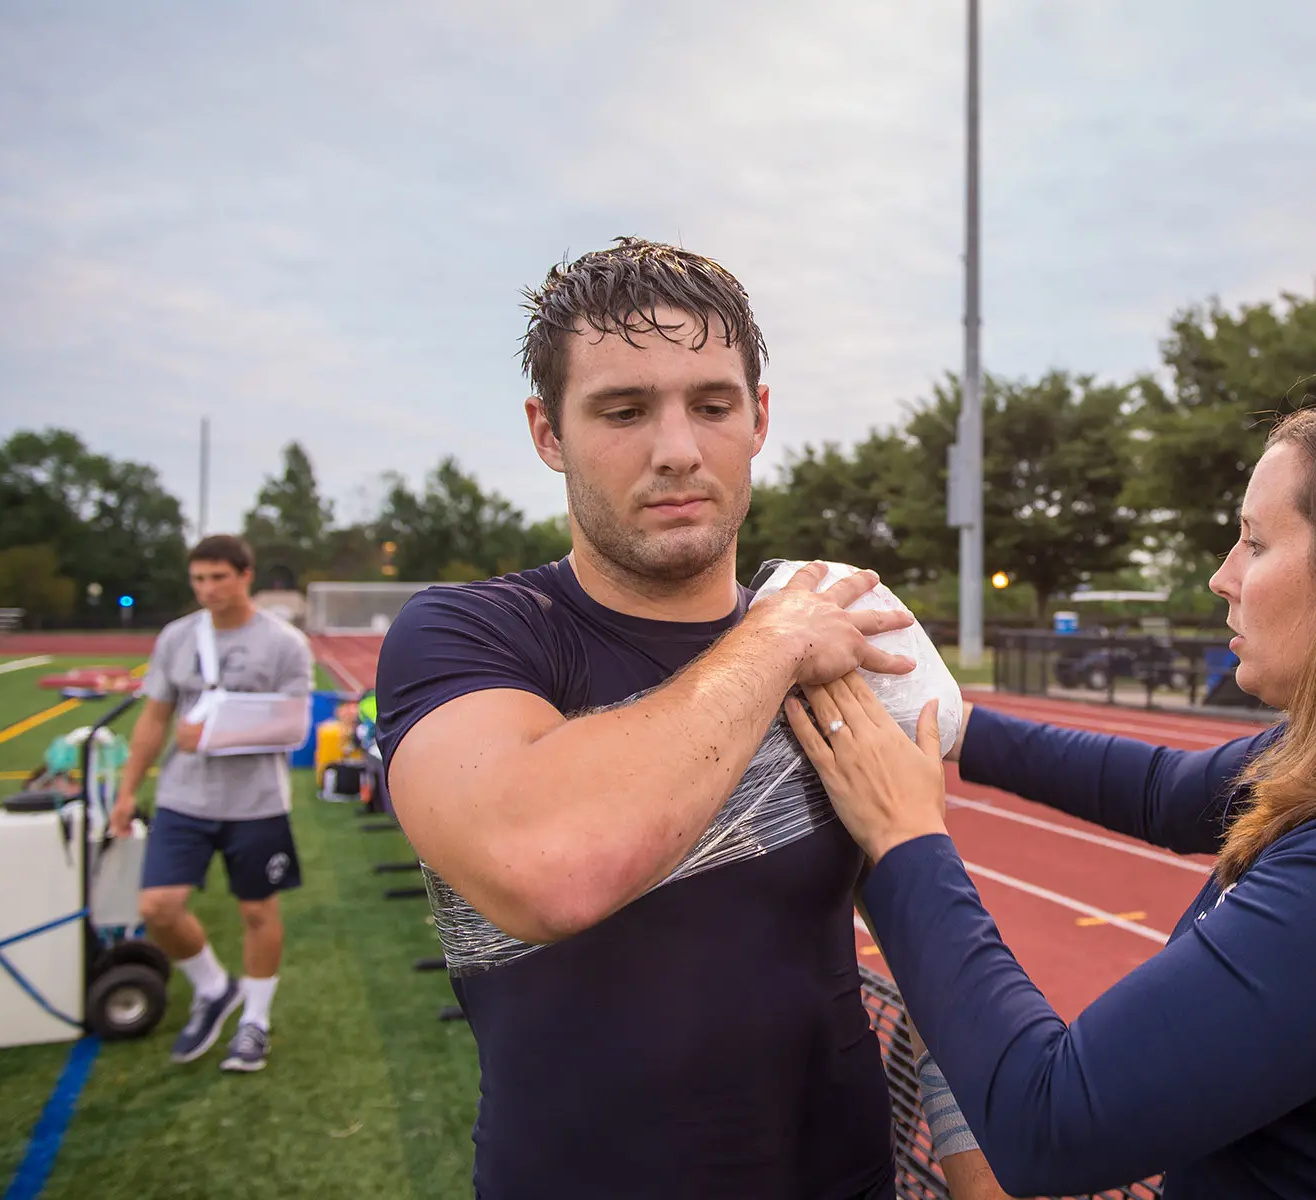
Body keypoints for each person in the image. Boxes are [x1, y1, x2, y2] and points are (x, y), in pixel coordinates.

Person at [785, 394, 1316, 1199]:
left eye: (1255, 544)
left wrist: (903, 840)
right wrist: (947, 718)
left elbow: (1053, 1121)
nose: (1223, 577)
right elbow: (1163, 789)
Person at [375, 237, 914, 1199]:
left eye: (713, 405)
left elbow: (927, 931)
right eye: (623, 411)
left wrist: (972, 1160)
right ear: (548, 433)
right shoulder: (467, 635)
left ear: (758, 419)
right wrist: (776, 639)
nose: (677, 450)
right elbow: (547, 867)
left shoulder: (837, 642)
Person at [112, 534, 315, 1073]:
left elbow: (292, 726)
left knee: (256, 910)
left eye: (219, 577)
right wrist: (127, 789)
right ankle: (213, 987)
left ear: (245, 576)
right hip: (185, 798)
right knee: (158, 906)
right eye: (199, 579)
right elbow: (155, 718)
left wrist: (213, 735)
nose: (208, 589)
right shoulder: (177, 638)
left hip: (256, 802)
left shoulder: (285, 643)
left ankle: (256, 1020)